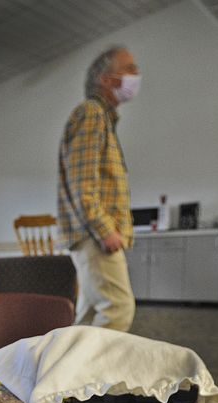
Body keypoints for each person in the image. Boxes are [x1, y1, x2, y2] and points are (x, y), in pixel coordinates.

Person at [57, 46, 140, 331]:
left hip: (91, 234)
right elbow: (83, 185)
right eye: (129, 69)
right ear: (106, 79)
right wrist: (105, 230)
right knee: (117, 309)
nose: (136, 75)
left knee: (89, 316)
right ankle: (96, 374)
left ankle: (71, 375)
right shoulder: (91, 114)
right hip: (94, 235)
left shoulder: (100, 118)